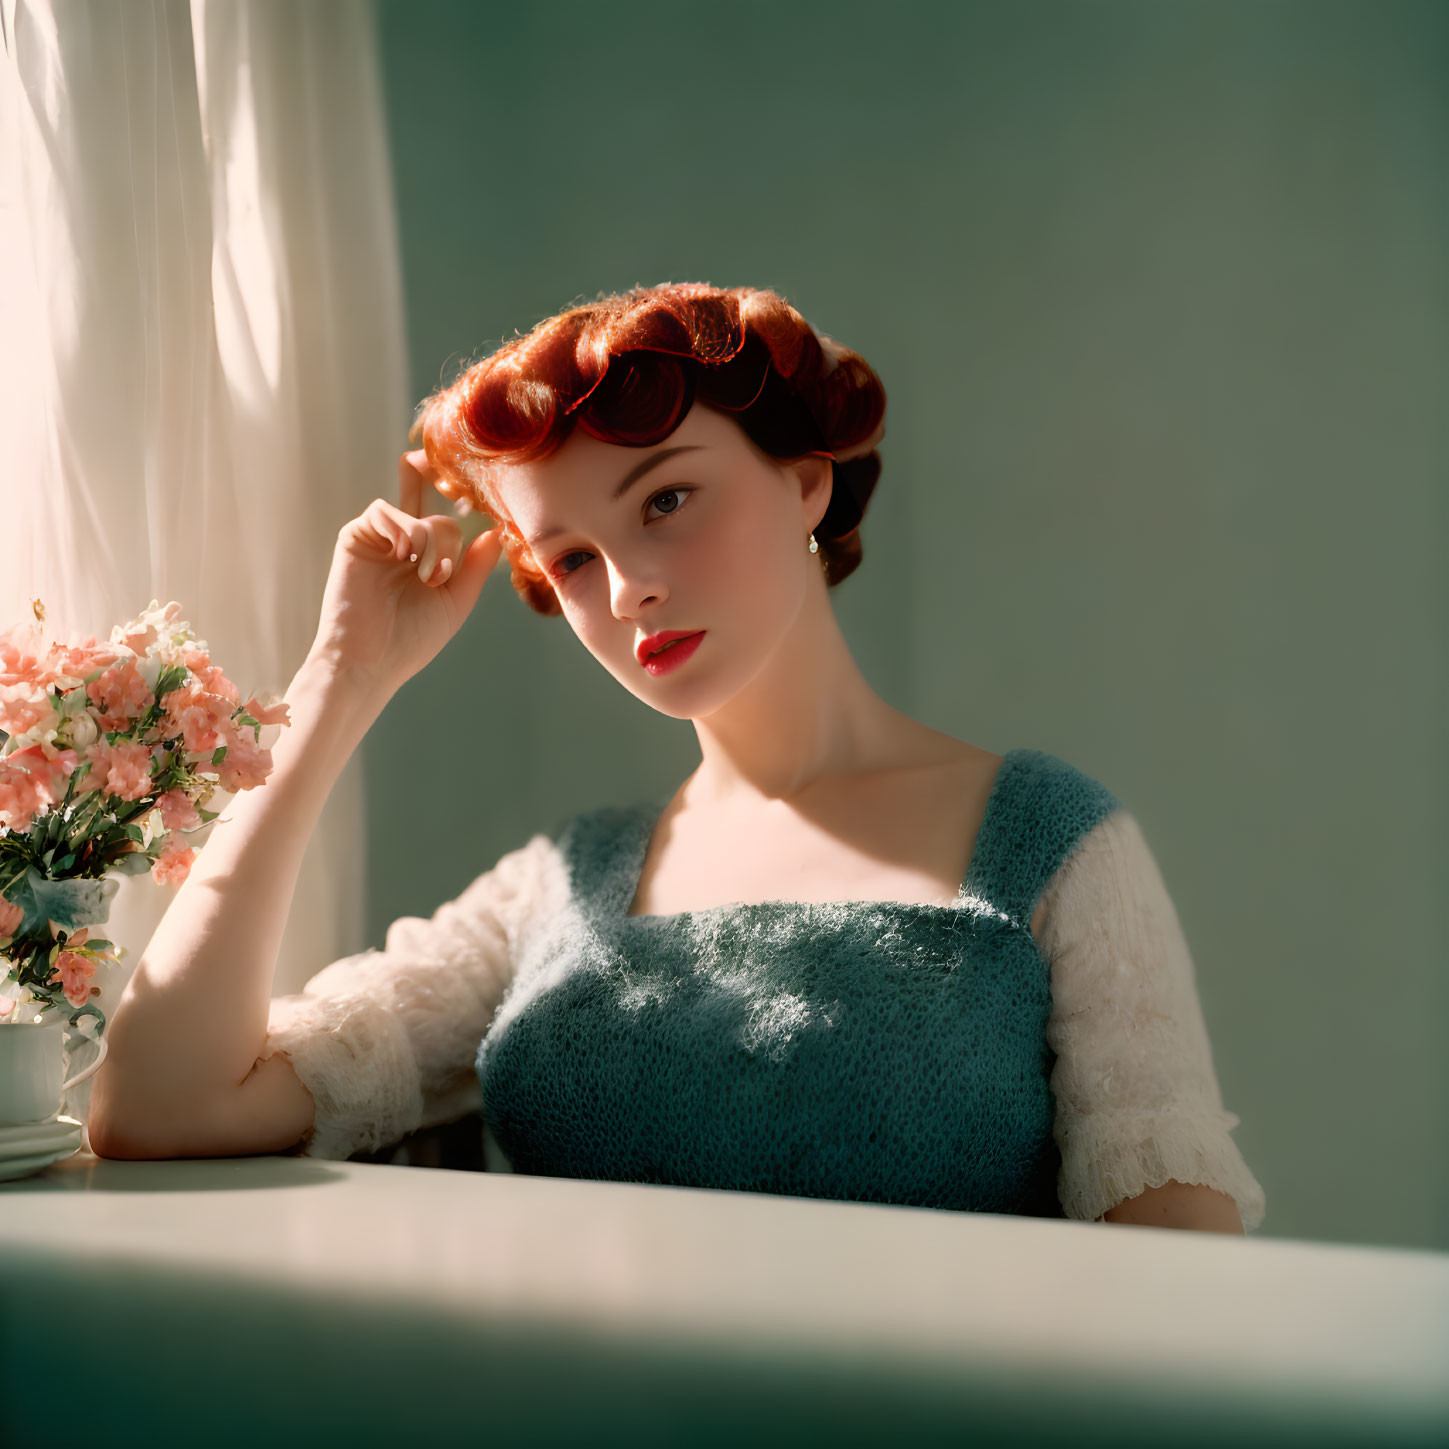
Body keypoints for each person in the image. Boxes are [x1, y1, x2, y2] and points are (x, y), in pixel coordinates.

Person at [88, 282, 1264, 1233]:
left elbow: (1179, 1284)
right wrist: (339, 685)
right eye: (571, 560)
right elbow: (161, 1105)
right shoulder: (551, 893)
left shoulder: (1050, 844)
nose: (630, 585)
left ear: (806, 483)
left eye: (667, 501)